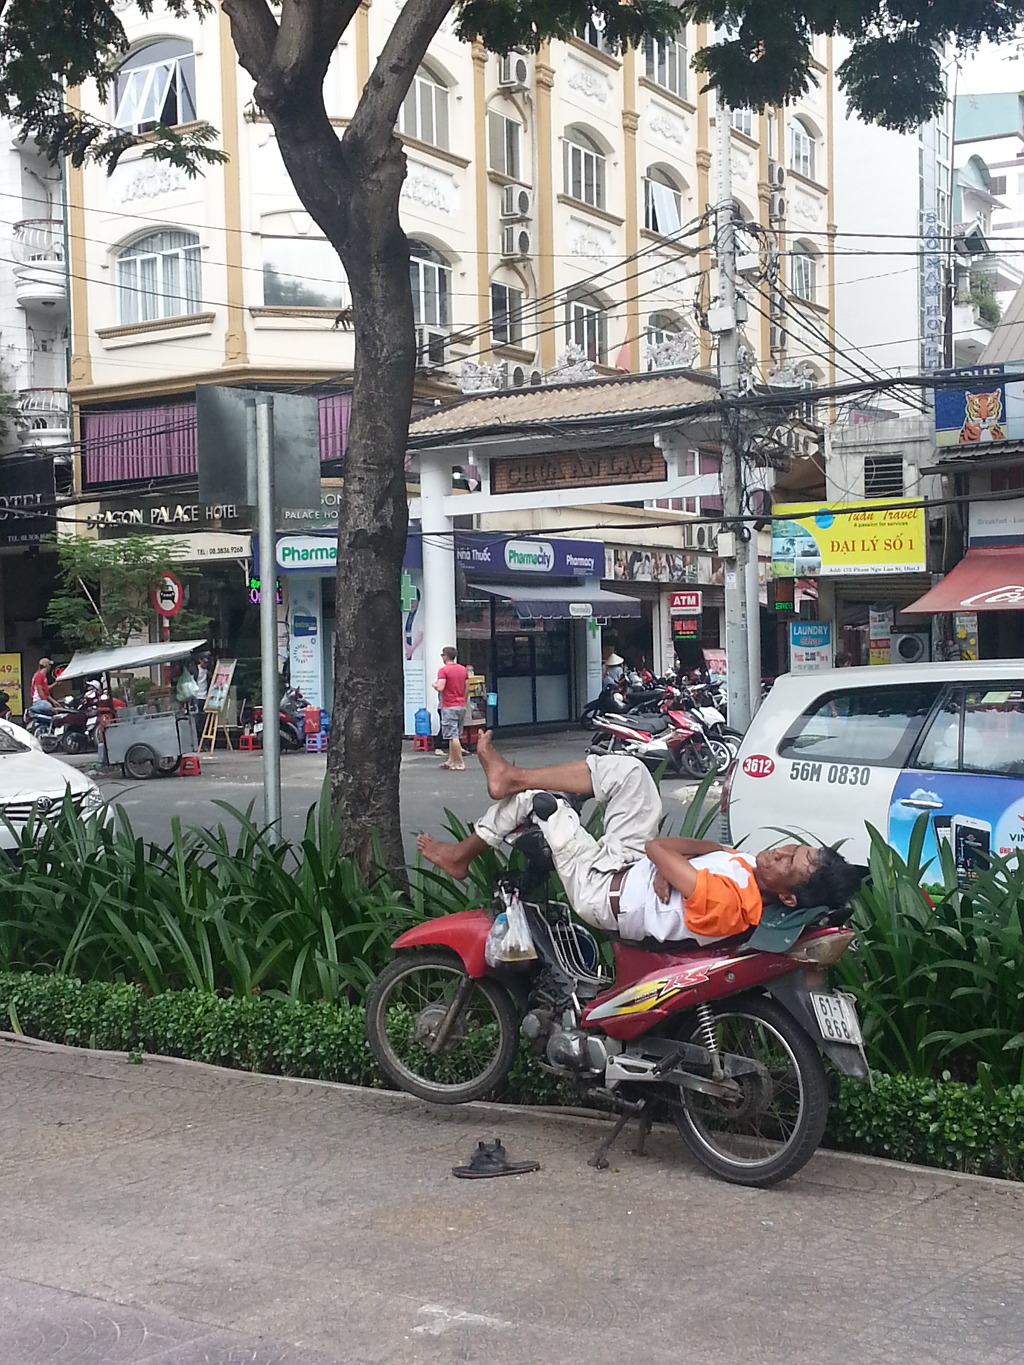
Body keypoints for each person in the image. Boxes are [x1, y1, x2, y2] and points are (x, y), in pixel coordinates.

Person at [418, 733, 866, 943]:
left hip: (600, 888)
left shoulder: (731, 900)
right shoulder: (751, 875)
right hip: (629, 869)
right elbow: (693, 853)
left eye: (790, 863)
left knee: (541, 804)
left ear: (788, 898)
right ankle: (510, 775)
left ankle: (462, 854)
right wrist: (684, 864)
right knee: (632, 772)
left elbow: (660, 847)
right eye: (794, 848)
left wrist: (674, 864)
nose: (781, 851)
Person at [431, 646, 470, 772]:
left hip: (449, 706)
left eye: (442, 655)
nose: (442, 657)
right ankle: (450, 760)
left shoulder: (443, 670)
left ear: (446, 656)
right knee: (456, 734)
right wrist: (462, 700)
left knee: (452, 736)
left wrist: (434, 685)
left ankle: (460, 762)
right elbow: (467, 688)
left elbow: (441, 687)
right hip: (461, 705)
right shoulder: (463, 670)